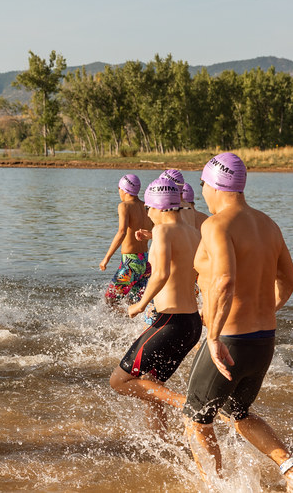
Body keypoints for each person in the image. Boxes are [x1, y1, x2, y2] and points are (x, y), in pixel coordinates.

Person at [182, 153, 293, 490]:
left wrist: (213, 337)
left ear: (214, 184)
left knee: (195, 420)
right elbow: (289, 281)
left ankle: (216, 487)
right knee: (238, 414)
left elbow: (225, 280)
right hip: (263, 340)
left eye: (202, 185)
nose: (202, 194)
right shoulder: (268, 224)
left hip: (228, 340)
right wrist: (265, 310)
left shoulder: (217, 225)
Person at [110, 177, 202, 432]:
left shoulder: (162, 231)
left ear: (159, 207)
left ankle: (187, 405)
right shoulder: (193, 232)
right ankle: (161, 441)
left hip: (170, 321)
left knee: (119, 381)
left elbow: (160, 274)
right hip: (191, 323)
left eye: (149, 208)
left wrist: (139, 304)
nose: (147, 213)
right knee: (152, 384)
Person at [99, 175, 153, 306]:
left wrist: (106, 258)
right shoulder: (147, 206)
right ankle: (131, 326)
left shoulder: (124, 206)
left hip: (130, 263)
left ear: (123, 189)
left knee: (110, 300)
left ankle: (114, 326)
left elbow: (122, 232)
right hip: (145, 262)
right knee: (133, 302)